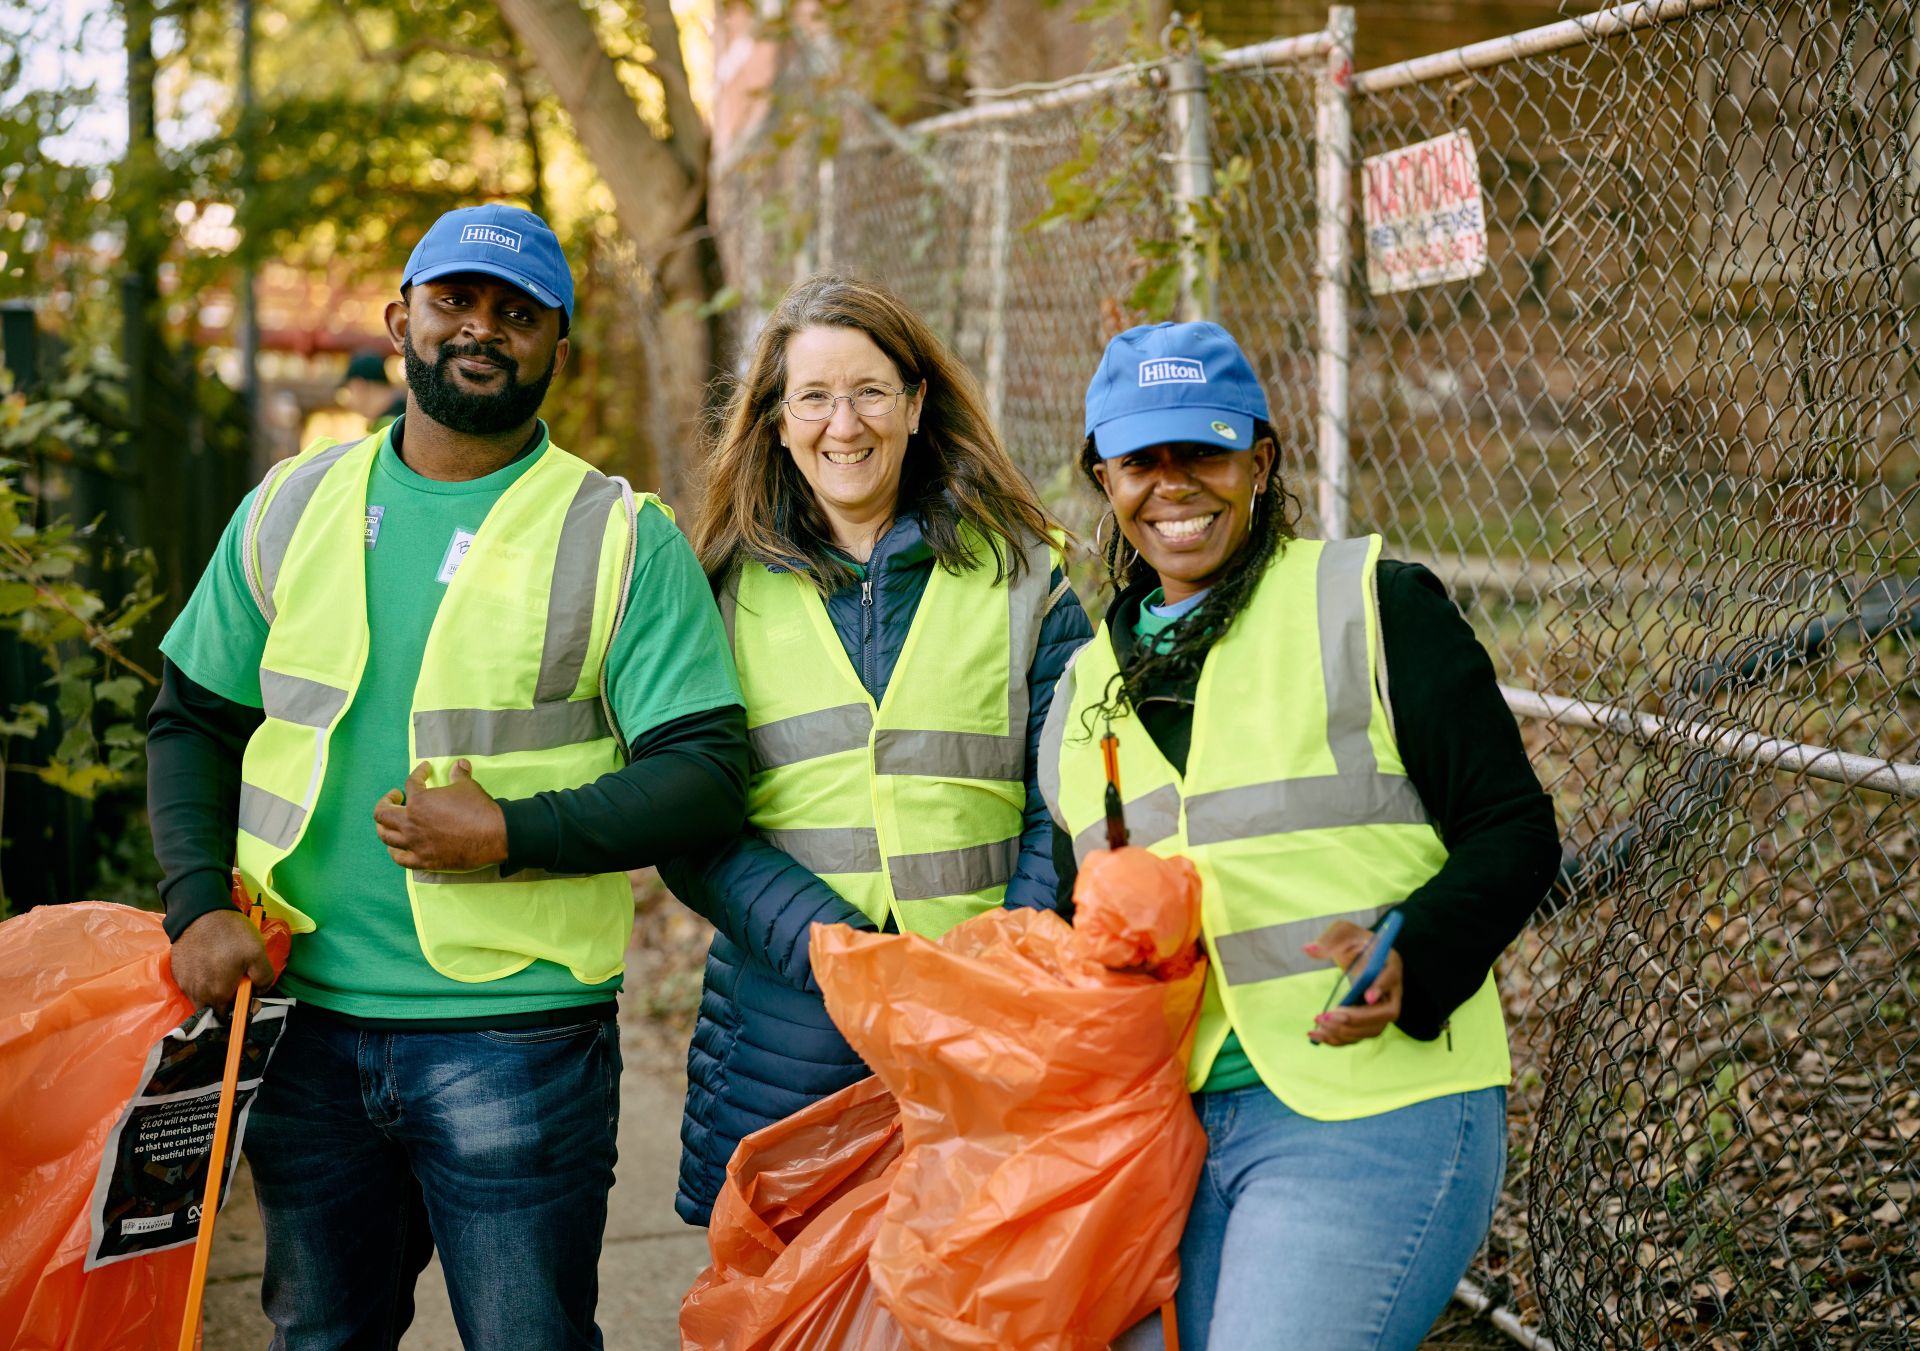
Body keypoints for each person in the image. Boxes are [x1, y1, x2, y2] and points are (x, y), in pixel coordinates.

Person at [147, 203, 748, 1350]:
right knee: (322, 1336)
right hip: (302, 1023)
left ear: (556, 348)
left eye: (518, 313)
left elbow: (706, 774)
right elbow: (191, 718)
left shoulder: (619, 534)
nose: (484, 327)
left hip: (517, 1039)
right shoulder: (287, 508)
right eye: (456, 301)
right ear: (399, 322)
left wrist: (511, 830)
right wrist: (194, 903)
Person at [1044, 322, 1561, 1351]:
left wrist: (1412, 947)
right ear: (1103, 476)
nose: (1175, 484)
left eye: (1206, 452)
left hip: (1372, 1111)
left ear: (1262, 460)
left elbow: (1514, 829)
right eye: (1143, 459)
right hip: (1169, 1132)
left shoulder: (1373, 606)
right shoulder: (1080, 691)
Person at [658, 273, 1093, 1225]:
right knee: (786, 1305)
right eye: (813, 396)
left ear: (916, 402)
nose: (842, 424)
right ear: (776, 420)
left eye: (868, 392)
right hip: (789, 1026)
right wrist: (829, 947)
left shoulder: (1023, 571)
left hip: (982, 1018)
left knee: (974, 1299)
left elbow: (1068, 786)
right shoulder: (715, 590)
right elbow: (688, 815)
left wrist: (998, 956)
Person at [338, 349, 408, 431]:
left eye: (348, 390)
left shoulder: (389, 426)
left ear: (359, 385)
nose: (347, 402)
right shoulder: (404, 413)